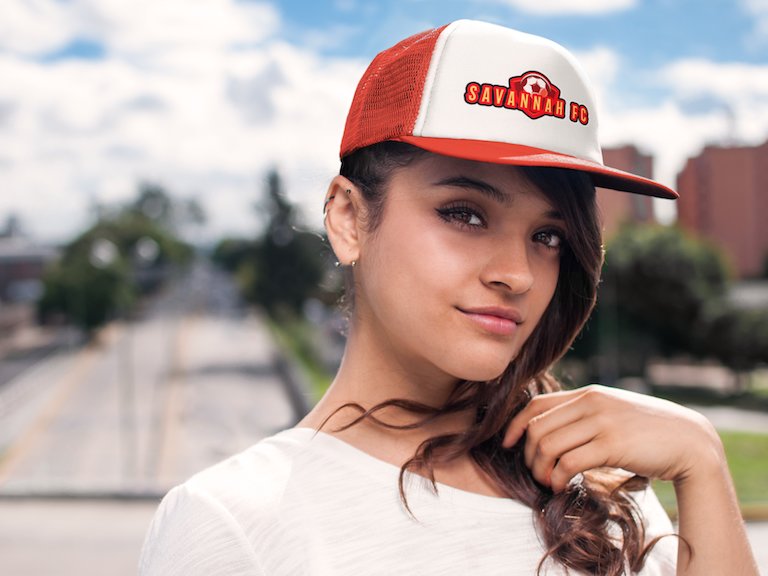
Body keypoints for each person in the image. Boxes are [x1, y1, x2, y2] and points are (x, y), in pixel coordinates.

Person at [139, 20, 758, 575]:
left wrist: (702, 462)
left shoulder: (599, 489)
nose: (517, 273)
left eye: (548, 236)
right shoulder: (230, 524)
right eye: (464, 214)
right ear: (349, 218)